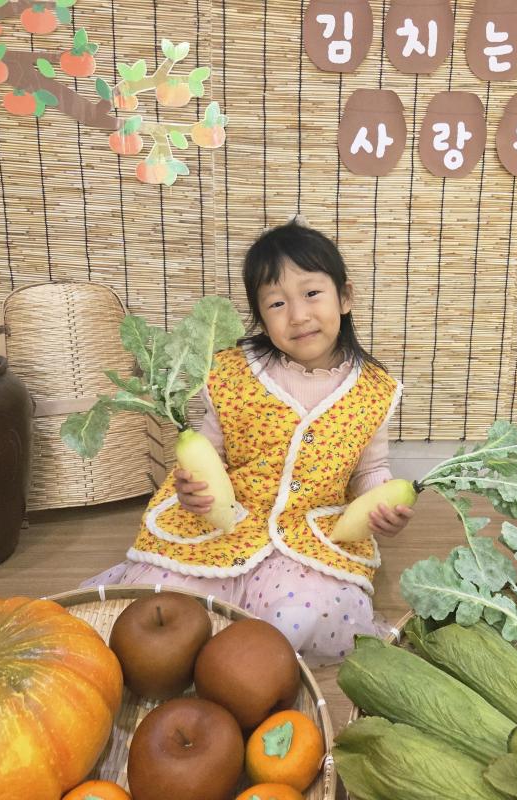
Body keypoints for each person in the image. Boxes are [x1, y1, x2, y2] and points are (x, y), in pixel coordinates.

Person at [82, 219, 414, 666]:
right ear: (260, 317)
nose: (298, 315)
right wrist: (189, 486)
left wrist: (382, 504)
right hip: (226, 521)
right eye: (277, 303)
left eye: (312, 293)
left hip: (308, 534)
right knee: (166, 601)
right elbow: (207, 451)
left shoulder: (374, 390)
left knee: (307, 616)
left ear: (345, 297)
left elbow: (370, 470)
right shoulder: (233, 371)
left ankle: (244, 663)